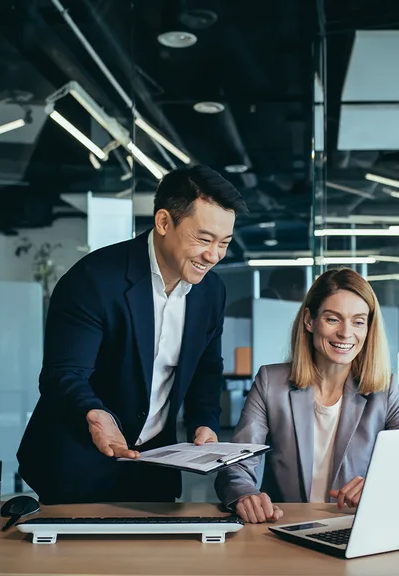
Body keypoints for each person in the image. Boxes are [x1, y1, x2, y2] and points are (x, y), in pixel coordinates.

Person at [17, 165, 247, 504]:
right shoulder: (95, 280)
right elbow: (63, 375)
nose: (213, 256)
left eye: (224, 243)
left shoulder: (211, 291)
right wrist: (96, 416)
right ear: (164, 222)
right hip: (77, 462)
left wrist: (205, 422)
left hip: (154, 467)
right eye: (204, 239)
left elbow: (205, 369)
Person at [214, 267, 399, 523]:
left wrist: (379, 485)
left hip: (355, 526)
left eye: (358, 321)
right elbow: (236, 464)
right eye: (333, 319)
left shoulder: (385, 390)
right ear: (310, 320)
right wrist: (245, 495)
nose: (345, 333)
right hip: (286, 529)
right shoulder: (270, 383)